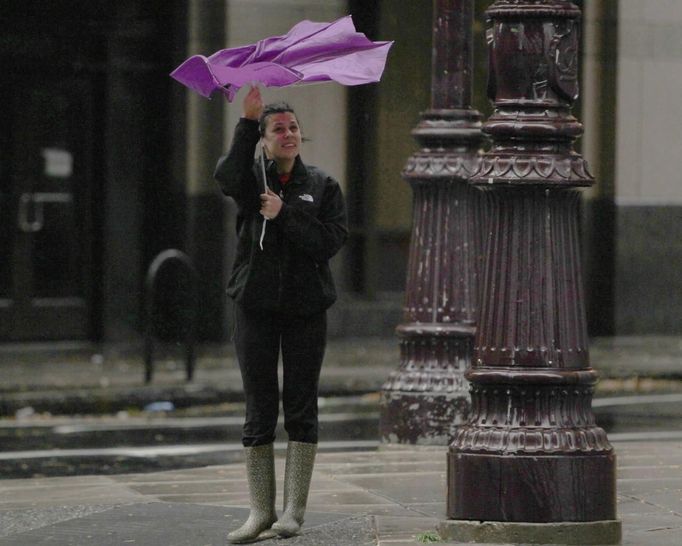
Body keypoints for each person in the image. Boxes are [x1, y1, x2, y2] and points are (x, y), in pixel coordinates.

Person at [214, 86, 348, 543]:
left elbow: (329, 242)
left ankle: (293, 511)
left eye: (293, 128)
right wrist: (246, 124)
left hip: (306, 309)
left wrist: (285, 213)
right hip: (254, 306)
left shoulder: (324, 186)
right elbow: (226, 175)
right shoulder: (252, 179)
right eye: (278, 129)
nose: (288, 134)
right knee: (259, 406)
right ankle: (259, 512)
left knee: (300, 405)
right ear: (266, 140)